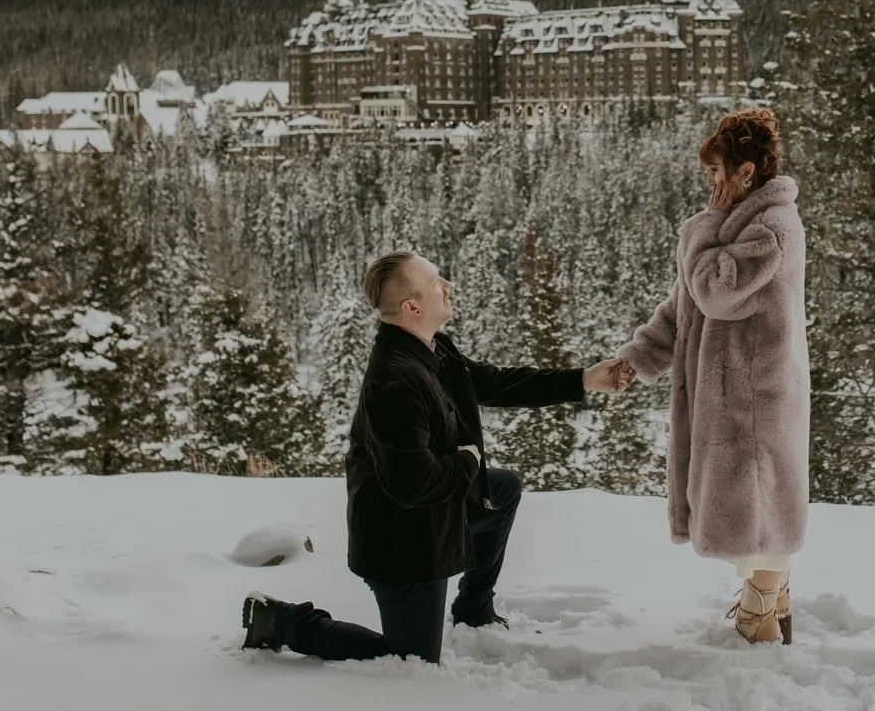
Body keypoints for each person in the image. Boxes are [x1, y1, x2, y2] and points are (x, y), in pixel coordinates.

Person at [240, 251, 631, 663]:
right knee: (408, 659)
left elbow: (494, 383)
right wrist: (467, 461)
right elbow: (413, 484)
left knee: (503, 490)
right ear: (412, 306)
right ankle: (279, 621)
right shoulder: (393, 380)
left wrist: (584, 379)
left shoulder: (433, 349)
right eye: (436, 283)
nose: (448, 285)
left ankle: (473, 608)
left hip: (435, 515)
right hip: (403, 544)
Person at [618, 108, 810, 645]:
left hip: (756, 398)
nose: (711, 181)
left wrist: (701, 230)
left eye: (717, 170)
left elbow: (716, 294)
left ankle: (765, 621)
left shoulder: (771, 230)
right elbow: (684, 307)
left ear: (746, 171)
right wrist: (637, 359)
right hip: (731, 398)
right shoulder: (735, 224)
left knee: (759, 518)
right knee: (746, 517)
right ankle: (771, 600)